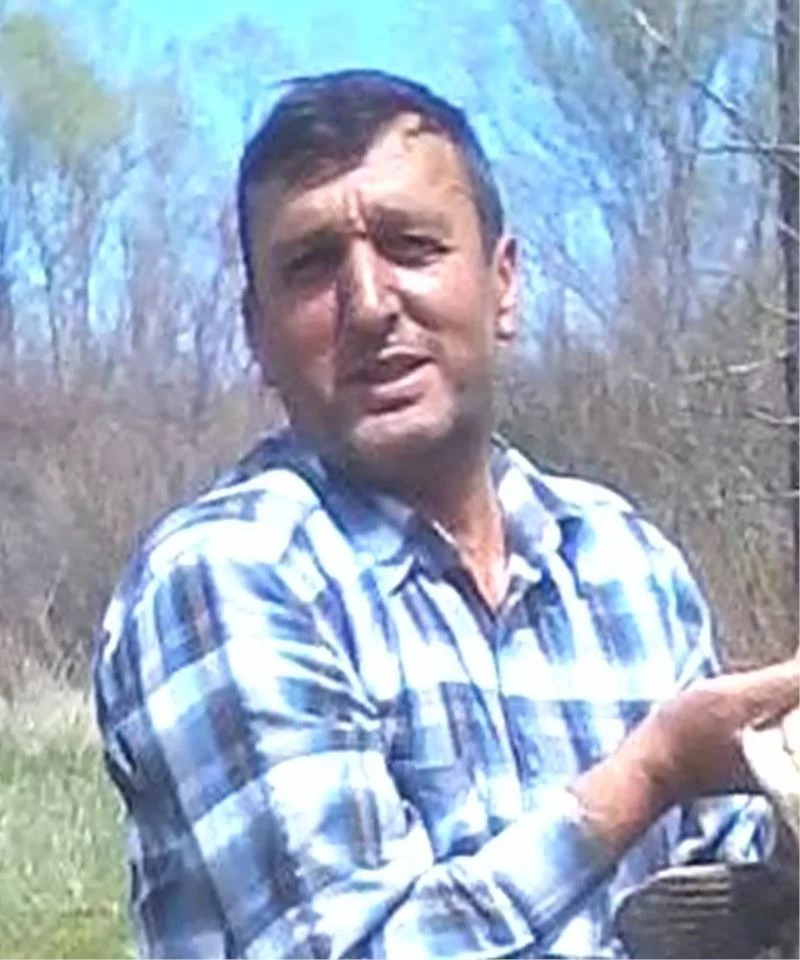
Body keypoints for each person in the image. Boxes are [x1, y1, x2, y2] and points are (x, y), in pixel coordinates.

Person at [93, 69, 798, 958]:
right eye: (311, 266)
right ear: (257, 333)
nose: (370, 303)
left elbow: (732, 902)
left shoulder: (627, 563)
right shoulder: (229, 575)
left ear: (503, 284)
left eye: (412, 246)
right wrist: (648, 774)